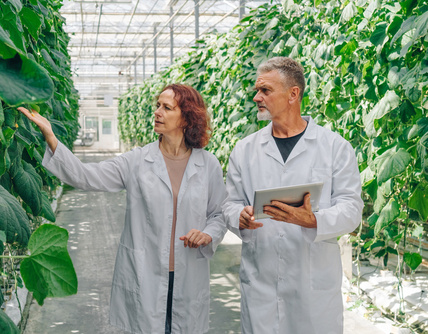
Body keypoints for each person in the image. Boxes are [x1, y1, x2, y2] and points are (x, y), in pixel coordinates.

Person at [18, 84, 227, 334]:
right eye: (157, 106)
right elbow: (86, 176)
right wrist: (52, 138)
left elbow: (218, 214)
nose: (157, 112)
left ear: (186, 117)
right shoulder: (138, 161)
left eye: (167, 107)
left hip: (189, 273)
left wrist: (208, 234)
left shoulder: (208, 164)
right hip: (146, 273)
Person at [222, 57, 364, 334]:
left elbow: (351, 209)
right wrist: (238, 216)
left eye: (265, 90)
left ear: (293, 94)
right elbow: (229, 203)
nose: (257, 97)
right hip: (261, 281)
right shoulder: (245, 149)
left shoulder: (334, 147)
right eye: (256, 90)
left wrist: (314, 220)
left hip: (313, 286)